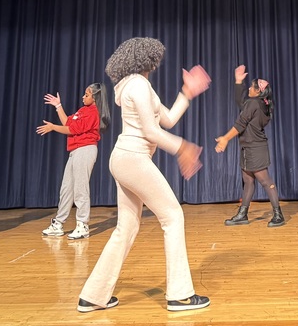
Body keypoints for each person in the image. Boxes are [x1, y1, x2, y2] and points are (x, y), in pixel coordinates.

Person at [77, 37, 212, 314]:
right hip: (133, 158)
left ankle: (94, 295)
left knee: (126, 227)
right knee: (173, 216)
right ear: (146, 59)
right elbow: (151, 132)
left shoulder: (134, 85)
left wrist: (186, 93)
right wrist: (182, 148)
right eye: (155, 57)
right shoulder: (138, 84)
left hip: (125, 159)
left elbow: (168, 119)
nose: (157, 62)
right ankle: (180, 295)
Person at [214, 64, 285, 228]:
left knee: (266, 182)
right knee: (248, 181)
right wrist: (238, 81)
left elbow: (240, 124)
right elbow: (241, 102)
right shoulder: (259, 104)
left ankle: (278, 215)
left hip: (255, 148)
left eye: (251, 88)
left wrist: (225, 138)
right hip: (248, 147)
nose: (249, 90)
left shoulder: (254, 104)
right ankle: (242, 214)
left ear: (258, 91)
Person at [37, 82, 111, 240]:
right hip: (75, 151)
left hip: (85, 150)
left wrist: (52, 127)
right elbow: (68, 123)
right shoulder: (83, 110)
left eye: (87, 94)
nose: (83, 97)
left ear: (95, 97)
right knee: (66, 189)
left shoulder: (93, 112)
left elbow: (72, 130)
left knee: (80, 189)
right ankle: (58, 223)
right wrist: (58, 106)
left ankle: (82, 224)